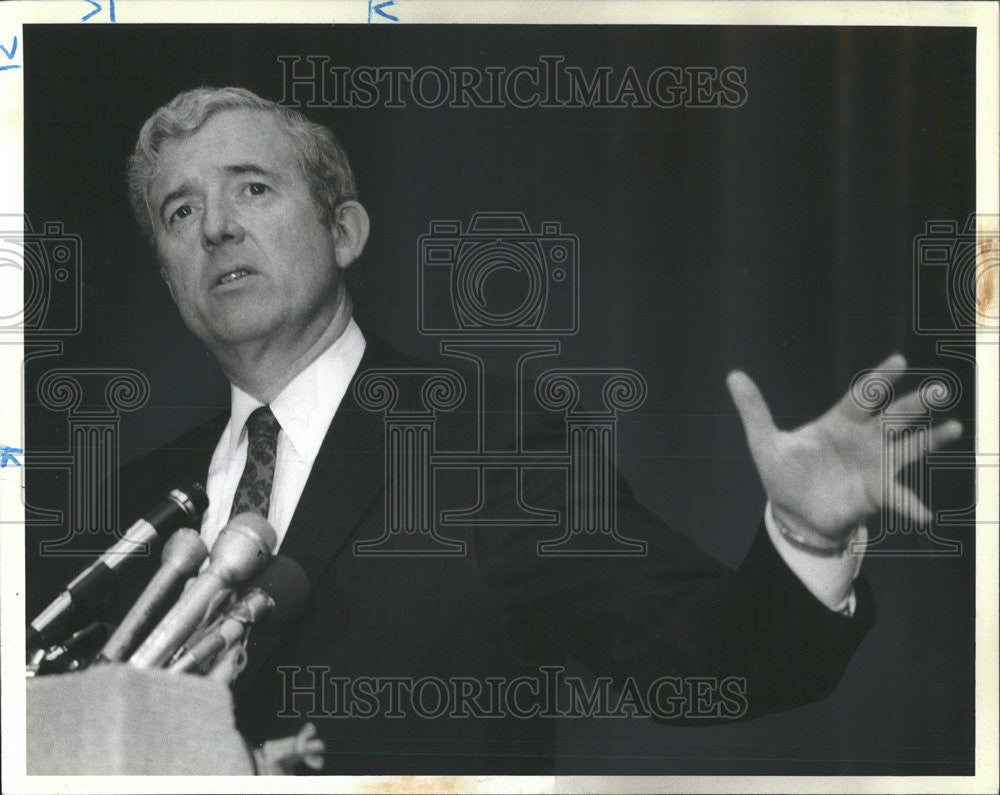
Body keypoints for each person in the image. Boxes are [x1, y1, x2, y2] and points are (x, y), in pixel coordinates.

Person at [91, 85, 963, 773]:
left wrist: (808, 533)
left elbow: (699, 662)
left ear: (345, 230)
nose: (215, 226)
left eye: (252, 186)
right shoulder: (133, 501)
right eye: (180, 211)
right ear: (170, 281)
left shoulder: (490, 438)